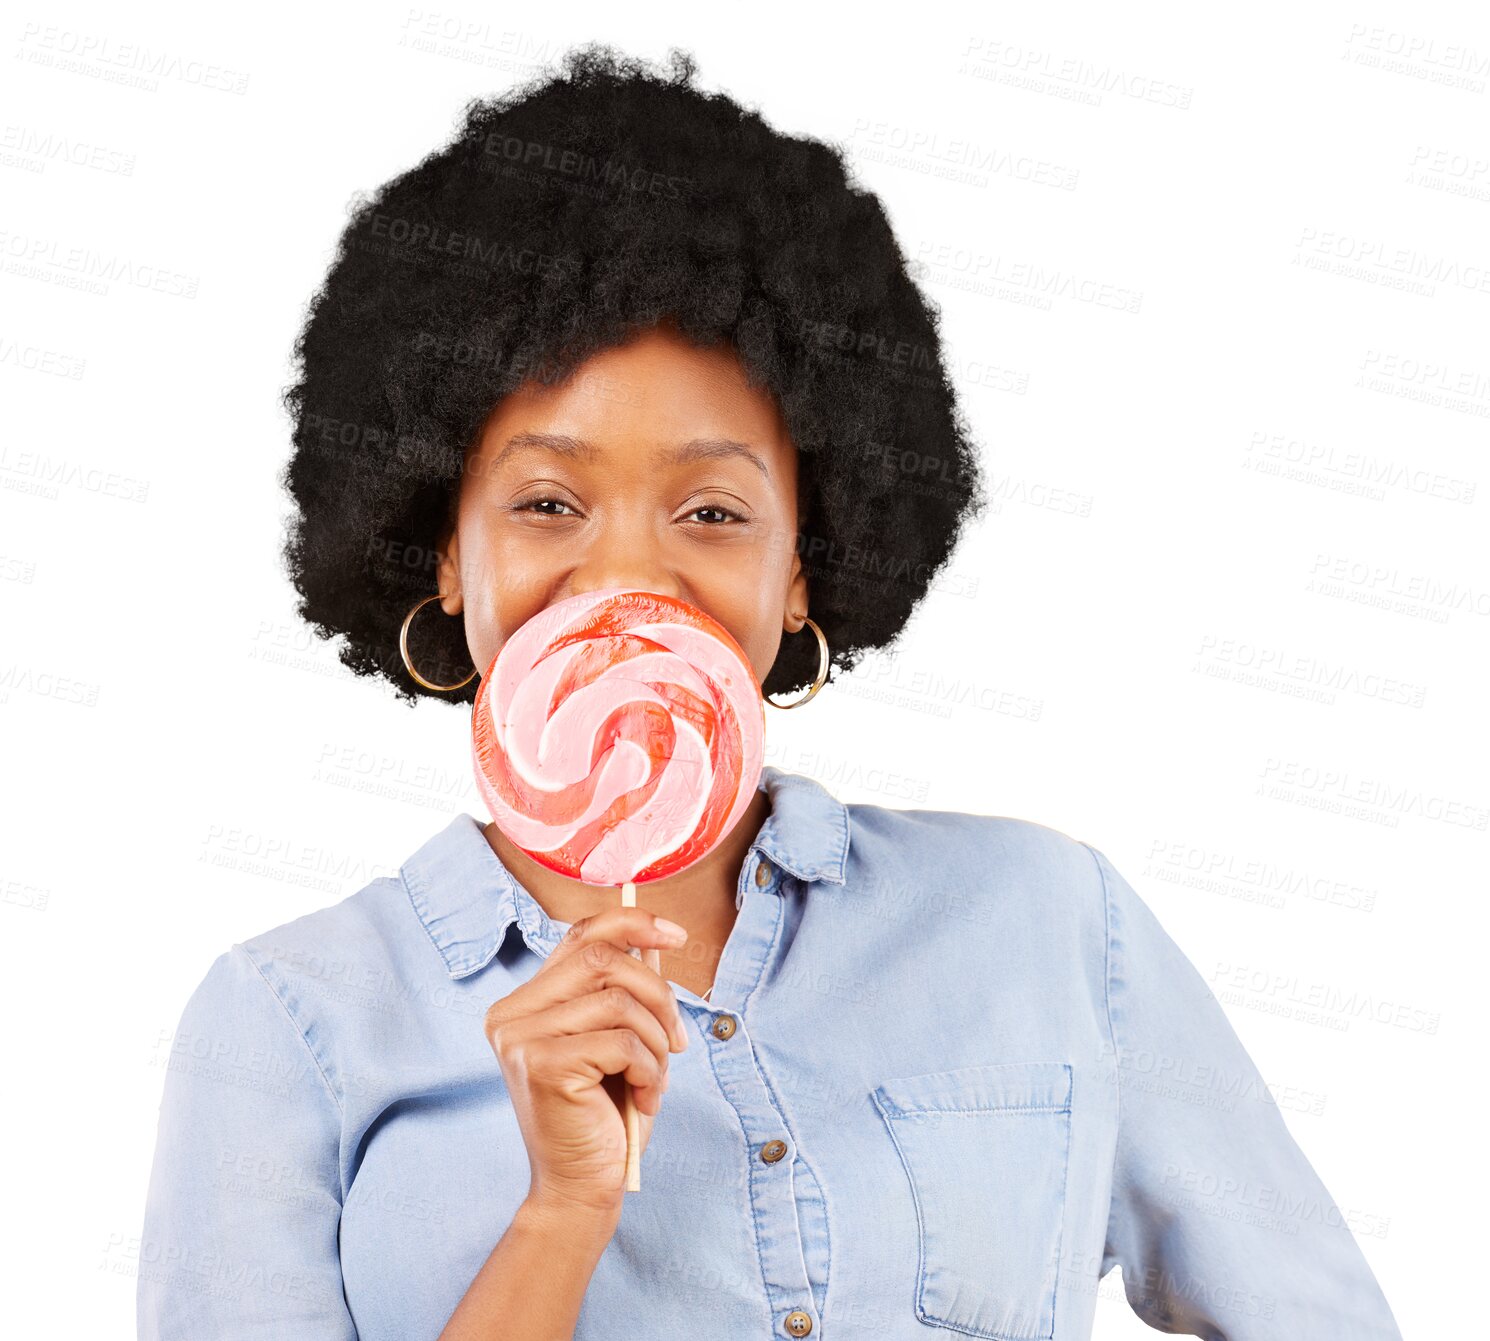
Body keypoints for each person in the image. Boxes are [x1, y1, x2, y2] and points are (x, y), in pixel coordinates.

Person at [137, 43, 1404, 1341]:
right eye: (546, 500)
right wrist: (563, 1206)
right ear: (443, 550)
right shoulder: (287, 1025)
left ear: (803, 565)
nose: (627, 566)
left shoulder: (1046, 922)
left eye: (711, 507)